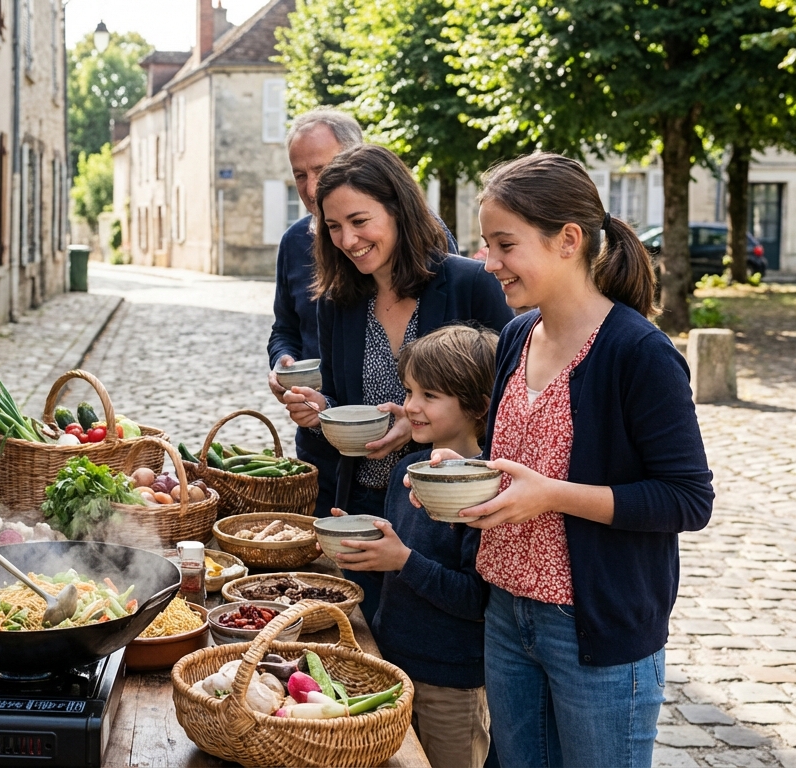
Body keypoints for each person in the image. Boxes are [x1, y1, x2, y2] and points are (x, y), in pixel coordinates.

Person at [411, 152, 713, 767]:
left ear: (568, 240)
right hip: (507, 614)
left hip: (593, 629)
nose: (488, 262)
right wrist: (463, 474)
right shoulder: (518, 335)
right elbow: (516, 462)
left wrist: (552, 495)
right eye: (486, 245)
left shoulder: (639, 353)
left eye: (504, 244)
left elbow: (688, 499)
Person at [281, 144, 511, 621]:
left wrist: (420, 425)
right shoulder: (337, 300)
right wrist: (321, 407)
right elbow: (347, 399)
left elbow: (504, 405)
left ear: (399, 209)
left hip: (446, 517)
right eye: (333, 227)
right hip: (363, 504)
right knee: (367, 646)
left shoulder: (472, 284)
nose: (347, 239)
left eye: (360, 221)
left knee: (434, 663)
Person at [267, 109, 458, 517]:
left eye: (322, 168)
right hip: (338, 457)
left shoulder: (442, 254)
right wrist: (291, 372)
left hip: (433, 480)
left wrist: (420, 419)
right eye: (299, 174)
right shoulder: (329, 283)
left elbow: (477, 375)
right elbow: (284, 327)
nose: (312, 186)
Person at [333, 324, 497, 768]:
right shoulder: (408, 466)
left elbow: (476, 598)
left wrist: (402, 560)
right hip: (393, 665)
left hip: (452, 683)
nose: (411, 407)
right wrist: (361, 549)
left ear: (478, 406)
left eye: (430, 395)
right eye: (409, 391)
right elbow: (396, 569)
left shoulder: (486, 490)